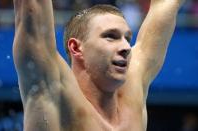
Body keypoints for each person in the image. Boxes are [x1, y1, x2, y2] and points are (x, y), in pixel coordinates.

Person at [13, 0, 185, 130]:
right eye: (111, 36)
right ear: (76, 47)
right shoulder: (56, 97)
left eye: (127, 38)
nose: (126, 47)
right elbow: (32, 10)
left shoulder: (134, 91)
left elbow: (166, 4)